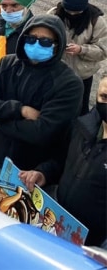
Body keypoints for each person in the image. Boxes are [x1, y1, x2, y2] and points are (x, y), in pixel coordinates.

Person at [0, 15, 83, 182]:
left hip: (30, 173)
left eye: (45, 41)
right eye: (31, 39)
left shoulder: (69, 83)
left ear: (57, 46)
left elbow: (42, 132)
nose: (36, 44)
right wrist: (19, 110)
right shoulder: (7, 64)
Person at [19, 76, 107, 247]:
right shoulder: (83, 126)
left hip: (94, 244)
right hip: (58, 223)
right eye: (105, 97)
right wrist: (43, 173)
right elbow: (62, 159)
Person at [48, 0, 107, 115]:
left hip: (82, 75)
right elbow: (42, 37)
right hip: (55, 71)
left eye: (77, 12)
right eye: (68, 11)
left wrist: (81, 49)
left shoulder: (96, 21)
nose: (72, 14)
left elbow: (103, 50)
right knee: (52, 105)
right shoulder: (53, 15)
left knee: (80, 108)